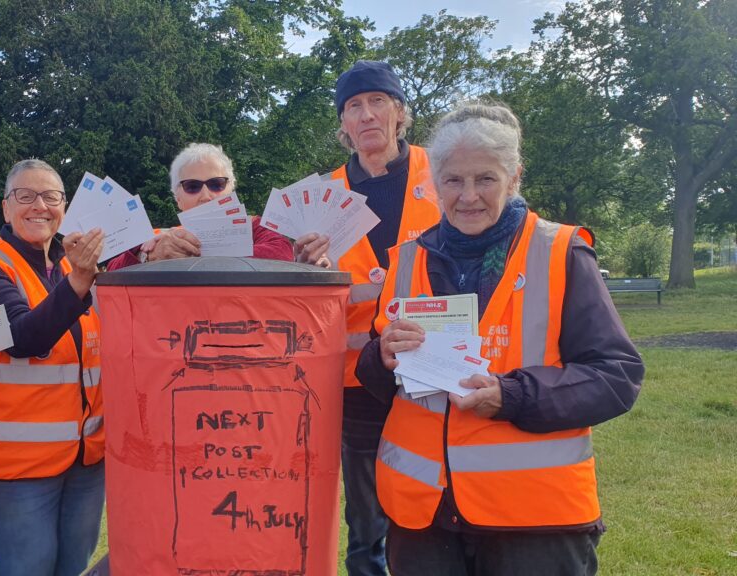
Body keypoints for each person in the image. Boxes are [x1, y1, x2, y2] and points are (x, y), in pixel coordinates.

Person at [356, 102, 644, 575]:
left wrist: (510, 395)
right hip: (421, 517)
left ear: (514, 178)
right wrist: (381, 355)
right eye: (453, 180)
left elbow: (616, 376)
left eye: (485, 179)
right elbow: (379, 379)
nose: (468, 196)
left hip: (532, 521)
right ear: (434, 184)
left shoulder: (562, 251)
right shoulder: (405, 261)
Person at [293, 60, 441, 575]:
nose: (366, 114)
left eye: (378, 101)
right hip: (355, 380)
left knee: (432, 509)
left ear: (400, 113)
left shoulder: (441, 174)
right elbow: (294, 302)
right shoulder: (319, 196)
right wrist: (302, 264)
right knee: (365, 525)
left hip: (431, 371)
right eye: (353, 106)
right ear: (343, 125)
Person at [0, 159, 106, 576]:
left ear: (65, 207)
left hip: (83, 459)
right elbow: (23, 337)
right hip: (16, 466)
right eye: (25, 195)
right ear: (6, 208)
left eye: (51, 197)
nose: (39, 205)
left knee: (71, 567)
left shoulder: (68, 265)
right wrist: (80, 281)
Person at [107, 143, 293, 269]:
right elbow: (112, 269)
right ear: (177, 198)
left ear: (231, 189)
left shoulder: (254, 227)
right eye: (192, 186)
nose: (206, 196)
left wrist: (200, 253)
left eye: (216, 184)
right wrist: (148, 256)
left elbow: (284, 254)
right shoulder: (160, 238)